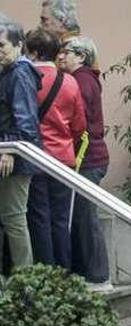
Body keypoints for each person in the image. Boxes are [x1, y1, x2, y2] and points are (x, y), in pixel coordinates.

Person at [24, 28, 85, 270]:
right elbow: (80, 125)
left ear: (35, 52)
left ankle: (47, 272)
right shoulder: (70, 81)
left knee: (39, 217)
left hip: (36, 157)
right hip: (64, 158)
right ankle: (64, 270)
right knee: (61, 219)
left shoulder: (25, 77)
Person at [59, 35, 110, 289]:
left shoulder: (81, 81)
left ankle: (98, 275)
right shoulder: (87, 80)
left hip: (88, 158)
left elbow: (79, 123)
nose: (61, 56)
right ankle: (89, 272)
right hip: (91, 157)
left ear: (81, 56)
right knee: (82, 215)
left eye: (67, 52)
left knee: (85, 215)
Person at [0, 18, 41, 271]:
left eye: (2, 45)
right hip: (7, 153)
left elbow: (26, 124)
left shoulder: (21, 73)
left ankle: (26, 281)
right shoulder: (7, 71)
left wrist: (9, 150)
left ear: (19, 45)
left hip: (14, 157)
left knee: (14, 218)